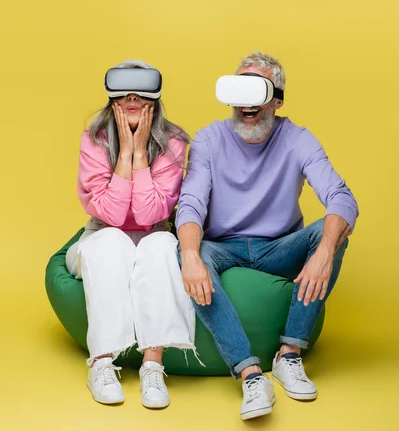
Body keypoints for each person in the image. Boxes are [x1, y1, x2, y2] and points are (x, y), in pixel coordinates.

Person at [176, 51, 358, 420]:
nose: (248, 103)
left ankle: (289, 353)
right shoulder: (209, 140)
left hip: (279, 247)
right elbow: (191, 202)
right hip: (221, 247)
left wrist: (324, 250)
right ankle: (249, 373)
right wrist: (192, 255)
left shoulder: (298, 139)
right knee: (188, 250)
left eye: (258, 90)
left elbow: (341, 197)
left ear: (276, 100)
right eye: (240, 89)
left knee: (331, 231)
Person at [66, 59, 195, 407]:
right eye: (123, 93)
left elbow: (151, 213)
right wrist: (125, 151)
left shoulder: (174, 142)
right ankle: (102, 362)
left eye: (141, 91)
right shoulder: (93, 140)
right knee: (111, 242)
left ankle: (153, 367)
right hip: (101, 236)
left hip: (152, 235)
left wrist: (141, 154)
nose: (133, 98)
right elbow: (110, 214)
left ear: (155, 98)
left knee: (162, 245)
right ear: (111, 99)